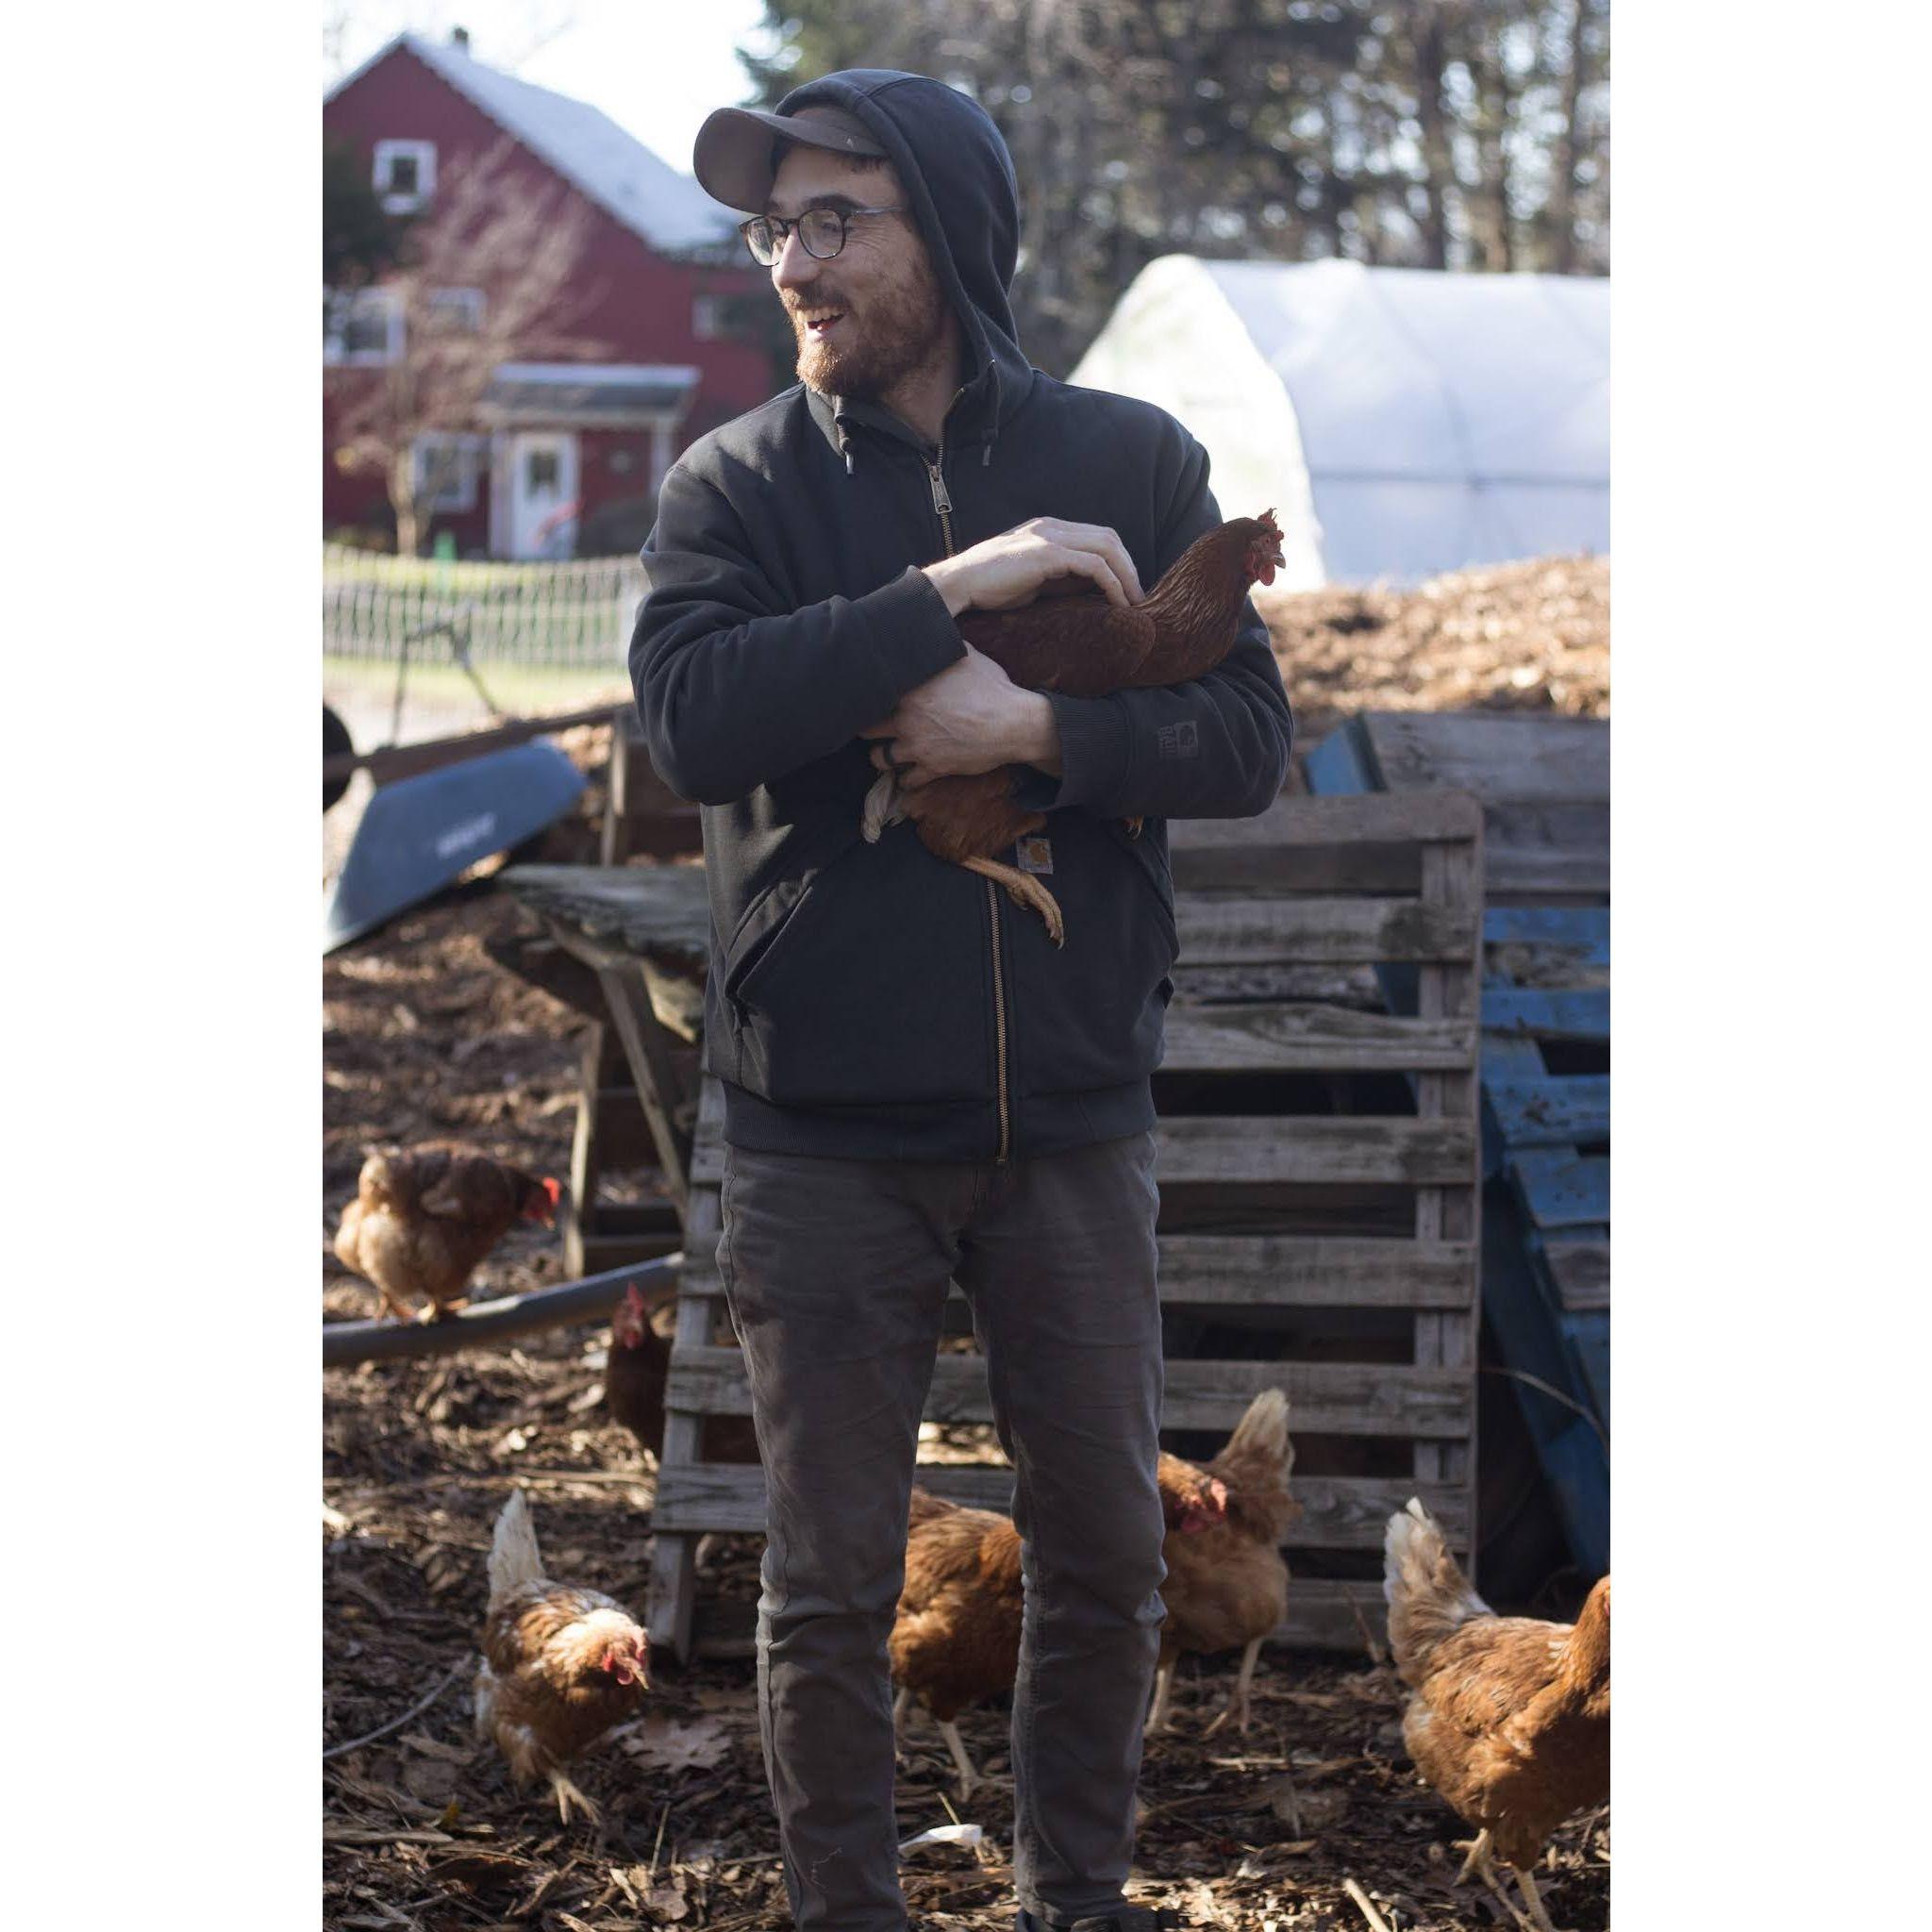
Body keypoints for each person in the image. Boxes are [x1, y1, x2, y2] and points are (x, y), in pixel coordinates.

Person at [631, 69, 1293, 1932]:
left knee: (1104, 1555)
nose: (795, 263)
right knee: (831, 1576)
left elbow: (1244, 737)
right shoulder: (734, 487)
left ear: (953, 231)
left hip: (1069, 1121)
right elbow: (689, 721)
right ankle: (846, 1911)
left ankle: (1069, 1901)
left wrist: (1040, 729)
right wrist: (949, 590)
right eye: (776, 229)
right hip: (818, 1128)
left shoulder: (1135, 460)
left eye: (837, 219)